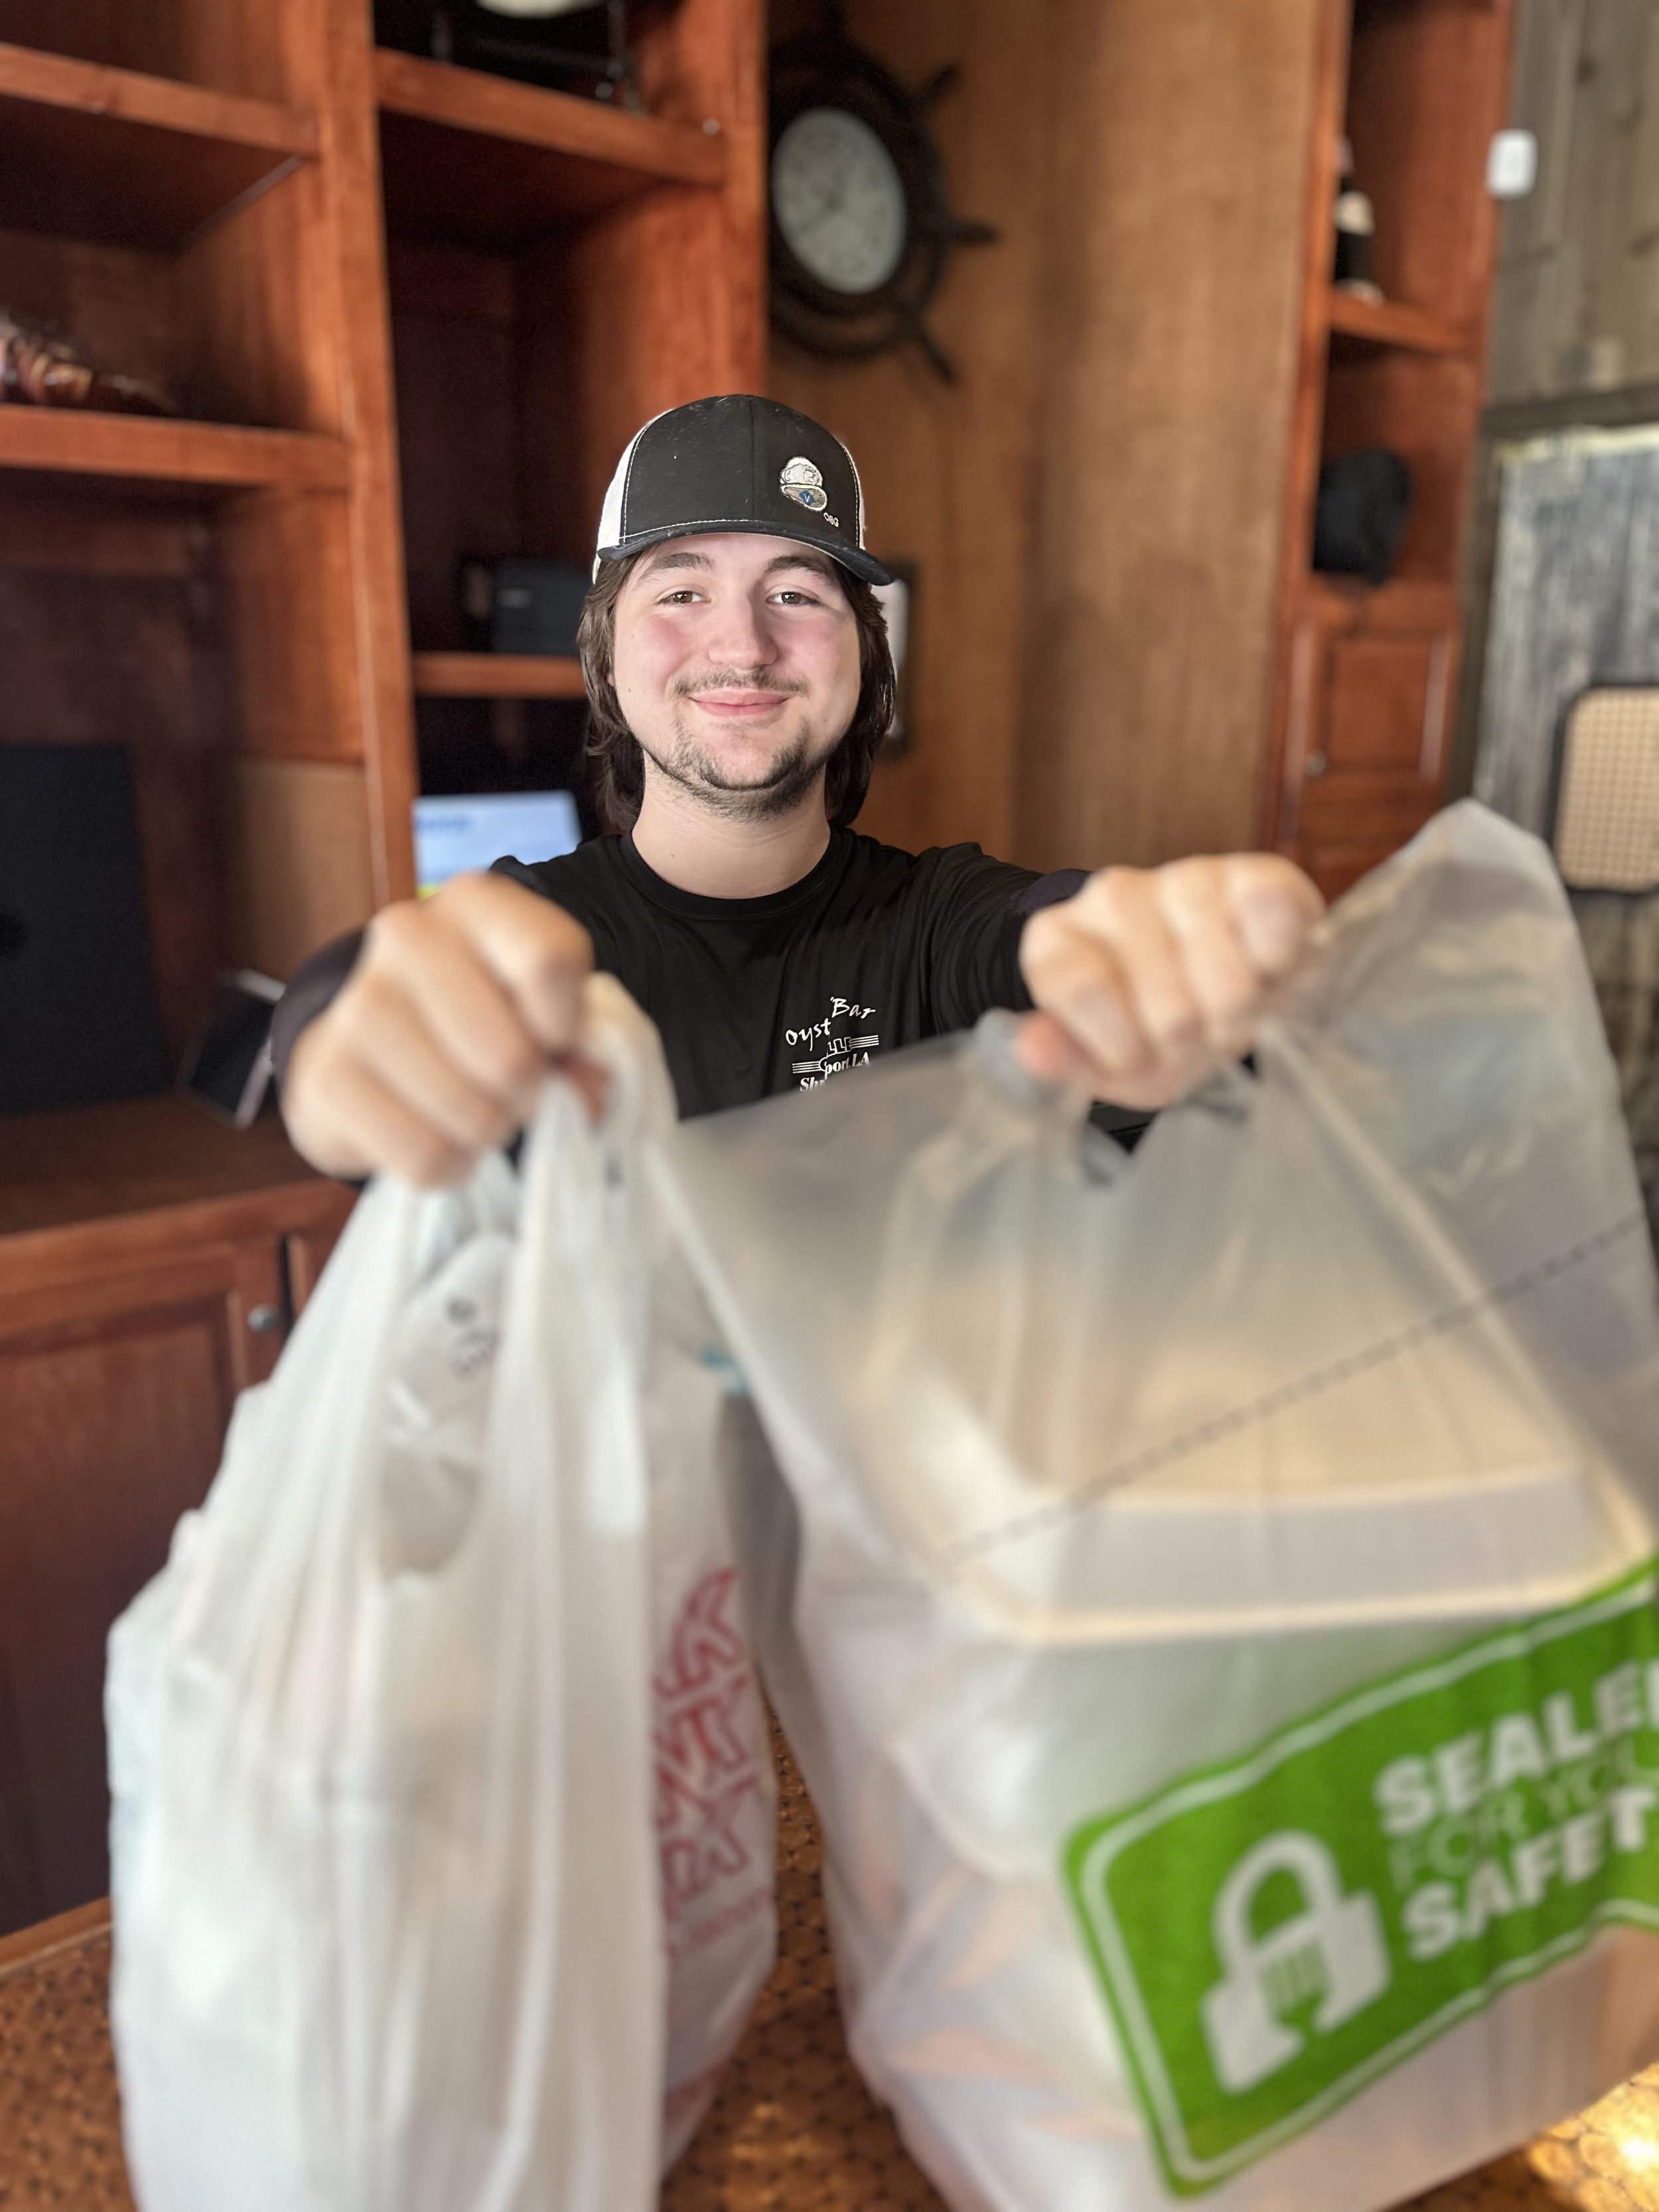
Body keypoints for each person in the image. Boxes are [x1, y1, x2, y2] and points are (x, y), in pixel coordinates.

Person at [273, 395, 1324, 1184]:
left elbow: (1046, 932)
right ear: (603, 660)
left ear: (864, 660)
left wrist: (1147, 968)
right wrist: (326, 1041)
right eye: (681, 589)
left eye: (795, 592)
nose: (743, 641)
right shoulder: (529, 936)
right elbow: (371, 995)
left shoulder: (937, 925)